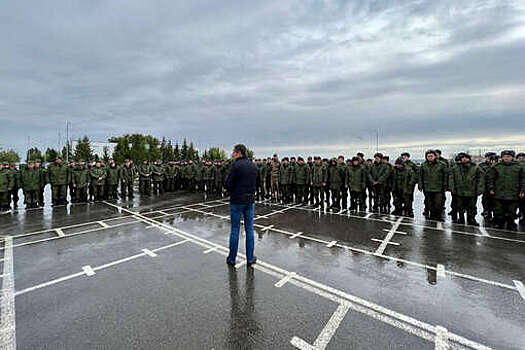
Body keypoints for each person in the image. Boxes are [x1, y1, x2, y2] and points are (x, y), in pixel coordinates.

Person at [225, 144, 258, 267]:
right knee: (249, 229)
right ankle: (250, 258)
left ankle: (232, 259)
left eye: (233, 152)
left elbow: (227, 184)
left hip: (237, 201)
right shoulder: (253, 165)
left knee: (235, 230)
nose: (232, 154)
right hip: (250, 201)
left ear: (239, 152)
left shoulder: (236, 166)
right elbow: (258, 183)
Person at [488, 150, 524, 231]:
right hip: (499, 193)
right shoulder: (496, 167)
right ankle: (499, 223)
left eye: (508, 157)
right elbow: (491, 179)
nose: (506, 158)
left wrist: (522, 191)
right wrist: (491, 188)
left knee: (512, 210)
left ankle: (511, 224)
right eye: (504, 157)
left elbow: (523, 180)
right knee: (499, 210)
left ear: (512, 157)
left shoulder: (519, 167)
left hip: (513, 193)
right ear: (502, 157)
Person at [448, 153, 484, 225]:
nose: (464, 159)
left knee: (472, 207)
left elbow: (481, 179)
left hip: (472, 191)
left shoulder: (475, 168)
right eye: (462, 158)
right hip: (459, 191)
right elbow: (451, 178)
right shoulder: (455, 168)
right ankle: (461, 219)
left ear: (469, 159)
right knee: (460, 206)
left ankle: (471, 219)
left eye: (466, 157)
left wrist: (480, 189)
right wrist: (452, 188)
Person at [419, 150, 447, 221]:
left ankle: (438, 216)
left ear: (435, 156)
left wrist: (445, 186)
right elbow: (420, 176)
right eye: (428, 156)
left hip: (439, 187)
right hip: (427, 187)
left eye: (431, 156)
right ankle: (432, 215)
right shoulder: (423, 165)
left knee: (439, 203)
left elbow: (446, 176)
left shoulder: (442, 165)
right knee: (430, 203)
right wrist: (420, 185)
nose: (430, 157)